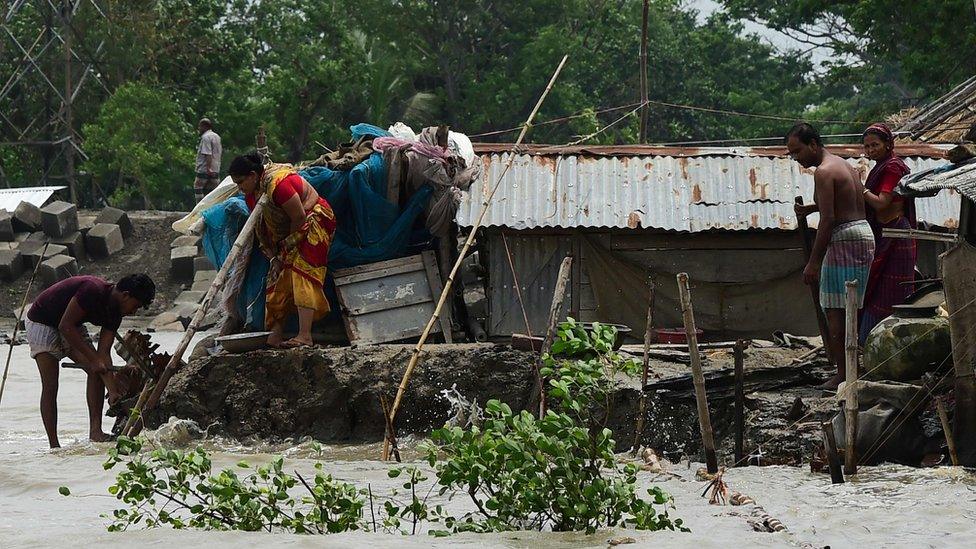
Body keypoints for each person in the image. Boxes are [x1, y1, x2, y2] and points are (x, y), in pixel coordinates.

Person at [789, 123, 875, 390]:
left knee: (835, 308)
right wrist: (811, 208)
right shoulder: (844, 165)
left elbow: (829, 219)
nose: (796, 158)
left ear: (813, 144)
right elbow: (845, 201)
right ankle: (855, 368)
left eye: (797, 151)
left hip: (844, 238)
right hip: (863, 233)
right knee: (855, 305)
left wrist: (813, 262)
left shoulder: (823, 173)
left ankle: (844, 373)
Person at [26, 274, 156, 448]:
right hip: (43, 321)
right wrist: (94, 360)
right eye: (136, 306)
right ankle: (54, 445)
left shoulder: (115, 314)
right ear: (125, 295)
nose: (134, 312)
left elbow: (104, 354)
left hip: (72, 325)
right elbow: (65, 326)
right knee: (50, 384)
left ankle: (96, 432)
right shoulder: (92, 290)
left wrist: (113, 391)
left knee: (97, 371)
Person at [228, 152, 337, 348]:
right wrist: (274, 256)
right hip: (285, 235)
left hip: (312, 221)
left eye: (241, 182)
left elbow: (299, 217)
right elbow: (263, 227)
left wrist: (288, 248)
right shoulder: (252, 195)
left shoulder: (279, 185)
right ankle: (275, 334)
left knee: (301, 272)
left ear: (253, 175)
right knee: (276, 277)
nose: (240, 188)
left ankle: (305, 336)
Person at [859, 123, 916, 343]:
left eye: (875, 145)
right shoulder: (881, 166)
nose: (871, 150)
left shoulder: (892, 167)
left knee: (892, 290)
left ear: (888, 144)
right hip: (885, 234)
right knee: (877, 288)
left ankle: (892, 342)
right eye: (867, 147)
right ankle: (873, 342)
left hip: (897, 235)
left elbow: (882, 204)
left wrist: (860, 187)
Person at [195, 118, 223, 202]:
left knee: (198, 186)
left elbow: (208, 153)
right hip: (216, 168)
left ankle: (199, 207)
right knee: (213, 192)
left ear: (204, 126)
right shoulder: (217, 137)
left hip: (205, 169)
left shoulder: (206, 137)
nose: (199, 129)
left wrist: (208, 168)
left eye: (200, 126)